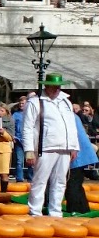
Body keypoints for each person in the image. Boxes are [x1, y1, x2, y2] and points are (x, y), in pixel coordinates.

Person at [22, 74, 79, 218]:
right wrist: (29, 150)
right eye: (53, 86)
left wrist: (73, 147)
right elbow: (27, 127)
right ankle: (35, 211)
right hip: (45, 147)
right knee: (40, 180)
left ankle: (56, 211)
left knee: (60, 182)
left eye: (58, 86)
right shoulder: (35, 102)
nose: (56, 89)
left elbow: (72, 126)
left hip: (64, 147)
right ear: (46, 86)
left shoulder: (66, 102)